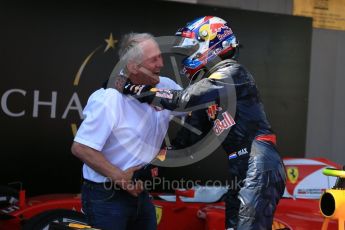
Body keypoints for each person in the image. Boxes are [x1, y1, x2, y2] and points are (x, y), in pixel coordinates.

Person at [122, 16, 287, 230]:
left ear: (210, 44)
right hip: (242, 168)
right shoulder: (210, 89)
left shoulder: (233, 73)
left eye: (192, 48)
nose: (188, 55)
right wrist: (150, 167)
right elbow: (185, 143)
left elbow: (183, 100)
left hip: (261, 163)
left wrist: (136, 89)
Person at [70, 32, 182, 230]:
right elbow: (81, 148)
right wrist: (122, 178)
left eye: (160, 56)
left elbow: (195, 112)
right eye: (153, 59)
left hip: (141, 192)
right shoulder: (109, 98)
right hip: (107, 195)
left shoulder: (166, 86)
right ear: (133, 66)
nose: (161, 64)